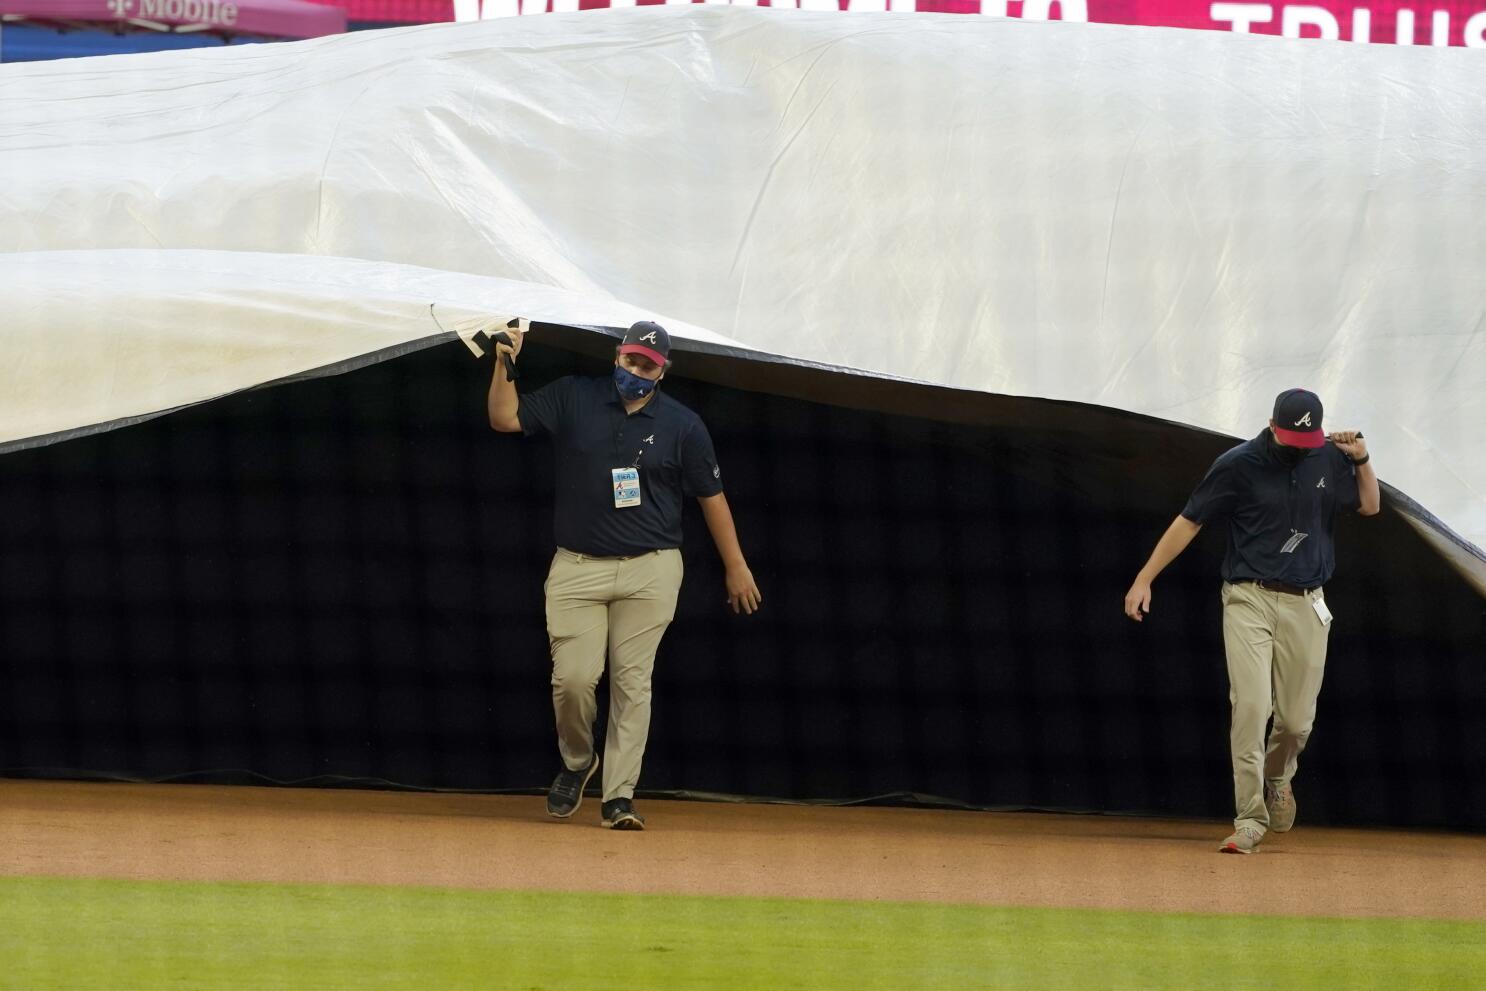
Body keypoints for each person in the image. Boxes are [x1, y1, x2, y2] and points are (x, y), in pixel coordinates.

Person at [487, 320, 762, 831]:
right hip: (577, 568)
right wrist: (505, 360)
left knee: (632, 683)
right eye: (631, 360)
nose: (636, 371)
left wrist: (736, 565)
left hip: (650, 569)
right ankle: (576, 762)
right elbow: (504, 418)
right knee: (572, 680)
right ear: (617, 354)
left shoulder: (683, 424)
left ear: (663, 371)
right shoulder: (576, 396)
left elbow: (711, 497)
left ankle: (619, 797)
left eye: (648, 366)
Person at [1123, 388, 1379, 854]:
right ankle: (1249, 819)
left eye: (1307, 440)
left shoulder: (1327, 457)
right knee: (1252, 706)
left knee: (1297, 722)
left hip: (1307, 602)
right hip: (1249, 598)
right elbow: (1190, 520)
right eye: (1291, 439)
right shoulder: (1238, 464)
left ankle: (1278, 778)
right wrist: (1145, 577)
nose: (1299, 448)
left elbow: (1370, 506)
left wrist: (1362, 459)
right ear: (1271, 425)